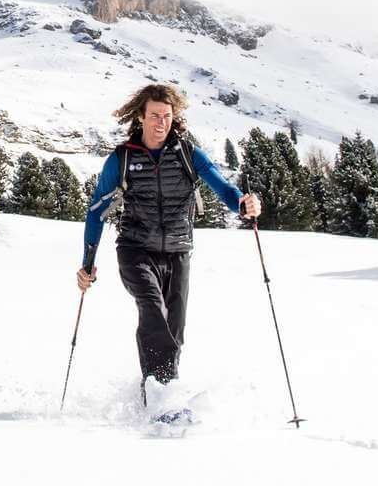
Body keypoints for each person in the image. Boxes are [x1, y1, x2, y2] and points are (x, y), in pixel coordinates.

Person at [76, 83, 260, 403]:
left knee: (174, 331)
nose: (161, 122)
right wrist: (87, 263)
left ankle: (157, 389)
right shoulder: (122, 159)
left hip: (177, 252)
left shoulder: (189, 154)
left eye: (167, 116)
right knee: (152, 308)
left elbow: (222, 186)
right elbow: (96, 212)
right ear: (141, 118)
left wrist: (243, 204)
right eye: (154, 116)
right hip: (135, 249)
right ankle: (164, 397)